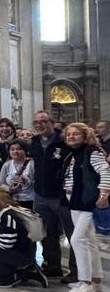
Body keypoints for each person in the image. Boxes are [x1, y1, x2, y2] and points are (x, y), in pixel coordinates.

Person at [60, 123, 110, 292]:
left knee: (77, 239)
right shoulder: (73, 154)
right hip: (73, 199)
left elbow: (105, 170)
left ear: (85, 135)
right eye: (69, 135)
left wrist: (104, 194)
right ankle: (96, 281)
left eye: (76, 134)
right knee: (89, 241)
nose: (71, 137)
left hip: (86, 200)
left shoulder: (91, 151)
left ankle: (85, 283)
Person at [29, 111, 77, 281]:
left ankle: (76, 271)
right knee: (47, 234)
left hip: (62, 195)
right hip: (41, 195)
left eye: (43, 122)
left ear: (52, 122)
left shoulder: (63, 141)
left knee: (73, 234)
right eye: (36, 123)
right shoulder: (33, 142)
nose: (40, 125)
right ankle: (53, 266)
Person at [0, 139, 35, 209]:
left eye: (19, 149)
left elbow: (37, 182)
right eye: (12, 149)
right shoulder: (7, 165)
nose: (15, 151)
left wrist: (25, 181)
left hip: (30, 200)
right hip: (12, 201)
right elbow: (0, 183)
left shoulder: (32, 164)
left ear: (25, 150)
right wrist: (10, 189)